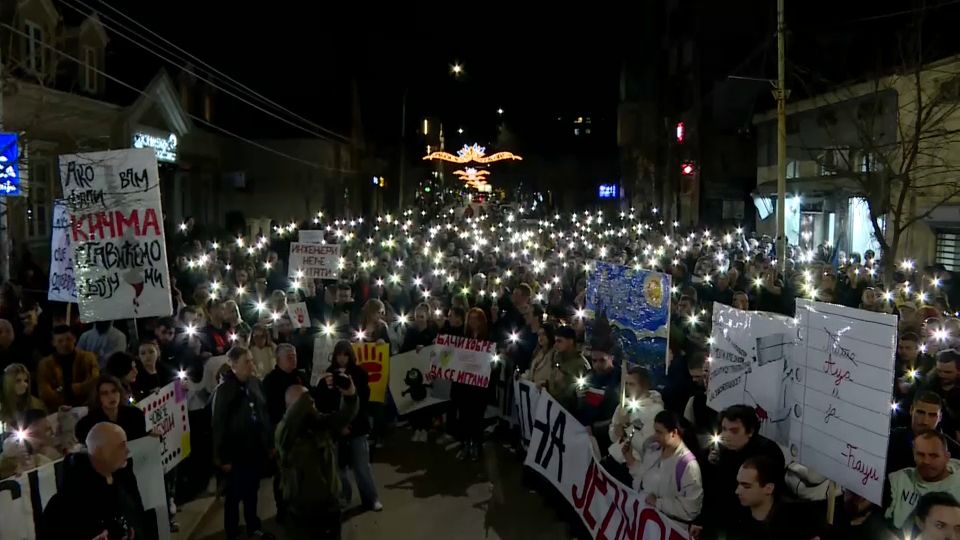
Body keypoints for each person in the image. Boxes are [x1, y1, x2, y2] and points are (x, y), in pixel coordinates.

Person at [276, 381, 359, 540]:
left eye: (312, 404)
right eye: (307, 404)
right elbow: (291, 419)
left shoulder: (319, 425)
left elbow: (344, 416)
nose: (312, 407)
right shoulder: (285, 435)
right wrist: (311, 393)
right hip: (303, 511)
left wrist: (350, 396)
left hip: (330, 505)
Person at [211, 346, 275, 540]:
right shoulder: (223, 391)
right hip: (236, 452)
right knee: (233, 495)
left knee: (252, 491)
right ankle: (231, 531)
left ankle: (253, 526)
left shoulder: (254, 383)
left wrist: (269, 443)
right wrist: (222, 457)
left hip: (255, 448)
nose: (251, 365)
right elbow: (218, 425)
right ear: (233, 364)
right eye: (246, 361)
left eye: (251, 360)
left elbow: (263, 413)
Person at [58, 422, 145, 540]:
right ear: (98, 452)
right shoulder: (72, 495)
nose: (127, 451)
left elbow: (137, 516)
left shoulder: (124, 476)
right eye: (121, 446)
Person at [327, 340, 383, 511]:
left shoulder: (360, 373)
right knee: (339, 467)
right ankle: (344, 497)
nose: (342, 358)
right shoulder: (329, 374)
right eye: (339, 354)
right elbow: (328, 403)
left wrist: (350, 425)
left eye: (345, 354)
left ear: (350, 355)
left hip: (357, 427)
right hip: (336, 428)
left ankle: (371, 498)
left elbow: (364, 402)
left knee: (361, 466)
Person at [623, 410, 703, 524]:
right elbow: (642, 479)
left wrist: (659, 503)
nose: (655, 436)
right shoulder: (653, 449)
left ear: (673, 433)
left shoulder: (688, 466)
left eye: (659, 432)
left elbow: (691, 509)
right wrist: (630, 459)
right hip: (643, 519)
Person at [887, 430, 960, 531]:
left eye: (933, 456)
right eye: (921, 455)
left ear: (947, 457)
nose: (926, 461)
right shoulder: (898, 479)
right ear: (913, 455)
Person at [37, 325, 100, 410]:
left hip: (85, 406)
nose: (65, 343)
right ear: (53, 343)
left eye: (68, 339)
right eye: (60, 341)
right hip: (58, 409)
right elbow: (45, 393)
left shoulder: (88, 358)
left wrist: (72, 389)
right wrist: (64, 393)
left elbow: (95, 382)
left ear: (74, 339)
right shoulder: (45, 364)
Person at [74, 375, 148, 445]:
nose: (111, 397)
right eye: (105, 393)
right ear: (98, 397)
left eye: (114, 391)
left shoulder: (135, 415)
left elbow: (141, 440)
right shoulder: (87, 424)